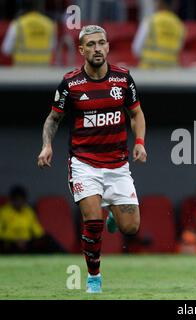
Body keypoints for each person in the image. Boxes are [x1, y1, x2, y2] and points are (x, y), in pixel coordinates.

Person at [37, 25, 147, 293]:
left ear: (108, 46)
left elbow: (136, 114)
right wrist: (46, 145)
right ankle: (94, 277)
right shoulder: (70, 83)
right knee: (92, 221)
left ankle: (112, 210)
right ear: (82, 49)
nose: (97, 48)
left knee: (131, 228)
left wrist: (140, 143)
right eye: (91, 44)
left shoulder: (123, 79)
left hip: (118, 164)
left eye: (102, 43)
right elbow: (53, 118)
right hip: (84, 163)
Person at [1, 0, 56, 66]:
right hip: (44, 70)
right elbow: (53, 47)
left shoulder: (18, 24)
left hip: (21, 70)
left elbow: (6, 49)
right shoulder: (49, 24)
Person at [132, 0, 185, 69]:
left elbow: (136, 48)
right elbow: (179, 49)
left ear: (160, 3)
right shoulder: (179, 25)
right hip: (170, 71)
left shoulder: (151, 21)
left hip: (148, 70)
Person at [0, 185, 46, 253]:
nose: (19, 202)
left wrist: (26, 241)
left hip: (27, 243)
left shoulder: (29, 212)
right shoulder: (4, 212)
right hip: (9, 243)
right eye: (16, 200)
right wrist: (15, 240)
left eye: (21, 200)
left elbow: (38, 232)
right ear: (11, 200)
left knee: (48, 238)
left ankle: (63, 255)